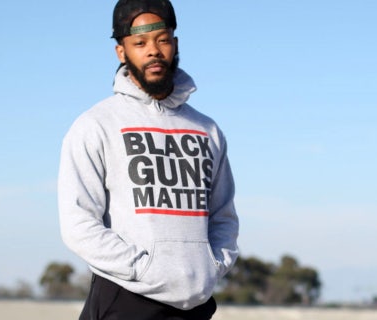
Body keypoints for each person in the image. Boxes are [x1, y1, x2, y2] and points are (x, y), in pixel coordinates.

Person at [57, 0, 240, 319]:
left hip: (193, 307)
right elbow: (79, 223)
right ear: (121, 53)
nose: (153, 50)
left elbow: (223, 216)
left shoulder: (206, 129)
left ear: (175, 44)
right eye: (139, 43)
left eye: (162, 39)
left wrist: (210, 267)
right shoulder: (96, 124)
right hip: (126, 300)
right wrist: (143, 269)